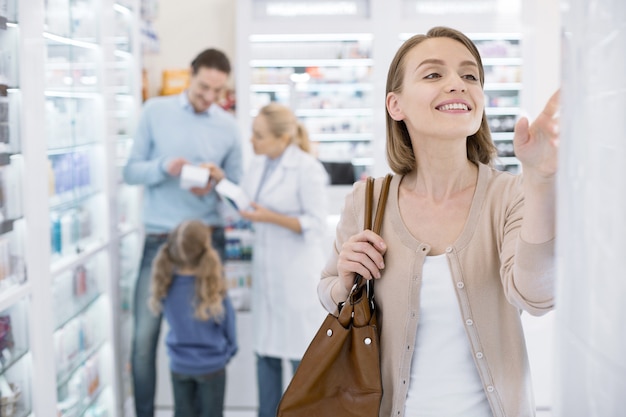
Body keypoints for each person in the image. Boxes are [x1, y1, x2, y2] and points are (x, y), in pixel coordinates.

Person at [318, 26, 560, 417]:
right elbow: (328, 290)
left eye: (470, 76)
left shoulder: (510, 195)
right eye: (433, 74)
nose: (457, 85)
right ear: (395, 105)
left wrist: (541, 182)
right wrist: (344, 282)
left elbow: (536, 296)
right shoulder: (367, 200)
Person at [123, 48, 243, 417]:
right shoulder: (155, 112)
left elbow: (239, 193)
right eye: (204, 87)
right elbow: (130, 172)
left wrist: (218, 183)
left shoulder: (228, 127)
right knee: (144, 339)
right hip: (160, 241)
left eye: (217, 92)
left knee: (207, 332)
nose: (209, 98)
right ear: (190, 76)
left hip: (205, 241)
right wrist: (164, 167)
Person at [209, 102, 330, 417]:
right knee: (266, 357)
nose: (252, 141)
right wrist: (221, 182)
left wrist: (271, 218)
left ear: (282, 138)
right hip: (267, 275)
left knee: (300, 362)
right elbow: (247, 204)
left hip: (296, 277)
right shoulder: (259, 165)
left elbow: (316, 224)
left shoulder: (307, 168)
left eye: (259, 136)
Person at [149, 220, 238, 417]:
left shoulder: (165, 285)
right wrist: (228, 352)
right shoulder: (214, 287)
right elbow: (229, 327)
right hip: (212, 365)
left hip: (179, 366)